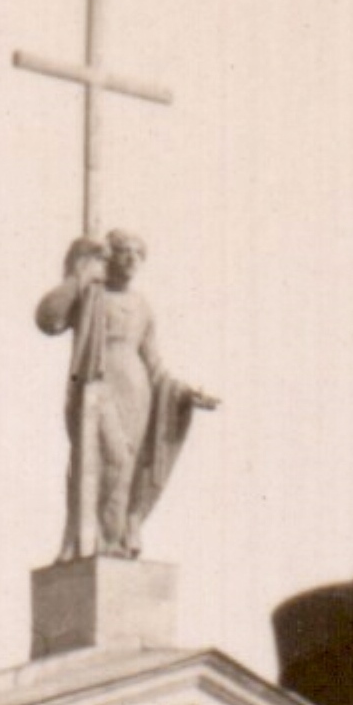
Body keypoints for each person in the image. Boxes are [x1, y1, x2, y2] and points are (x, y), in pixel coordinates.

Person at [35, 230, 211, 563]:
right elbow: (48, 319)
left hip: (138, 391)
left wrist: (184, 394)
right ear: (109, 257)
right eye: (124, 252)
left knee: (126, 465)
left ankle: (113, 543)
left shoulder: (142, 306)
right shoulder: (92, 295)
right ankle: (91, 539)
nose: (131, 259)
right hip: (95, 385)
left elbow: (154, 363)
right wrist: (77, 275)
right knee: (106, 459)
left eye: (137, 253)